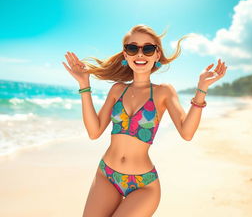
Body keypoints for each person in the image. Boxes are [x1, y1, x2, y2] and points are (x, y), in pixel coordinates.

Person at [62, 24, 227, 217]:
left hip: (143, 185)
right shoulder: (117, 89)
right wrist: (84, 84)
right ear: (125, 55)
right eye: (133, 48)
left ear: (157, 55)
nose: (140, 55)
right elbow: (94, 132)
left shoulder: (163, 92)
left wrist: (202, 88)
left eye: (148, 49)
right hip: (106, 174)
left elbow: (187, 132)